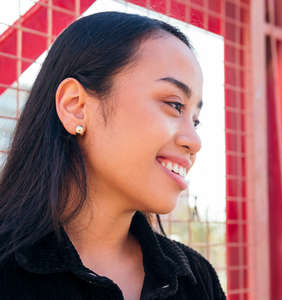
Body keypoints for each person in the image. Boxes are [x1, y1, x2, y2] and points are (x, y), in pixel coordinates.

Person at [0, 11, 226, 300]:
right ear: (75, 106)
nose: (194, 141)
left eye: (195, 121)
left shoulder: (197, 281)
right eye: (174, 105)